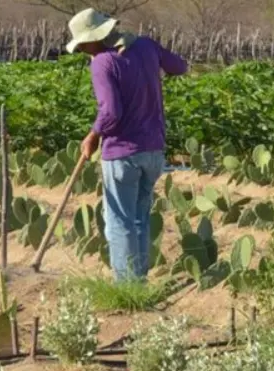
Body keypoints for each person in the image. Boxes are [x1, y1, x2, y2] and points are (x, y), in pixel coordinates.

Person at [66, 8, 188, 282]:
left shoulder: (102, 62)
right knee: (140, 219)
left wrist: (92, 135)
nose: (84, 51)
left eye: (84, 45)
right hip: (154, 152)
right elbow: (179, 67)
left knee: (120, 222)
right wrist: (148, 63)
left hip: (122, 153)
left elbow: (111, 112)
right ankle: (139, 281)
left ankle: (125, 286)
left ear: (95, 39)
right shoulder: (145, 45)